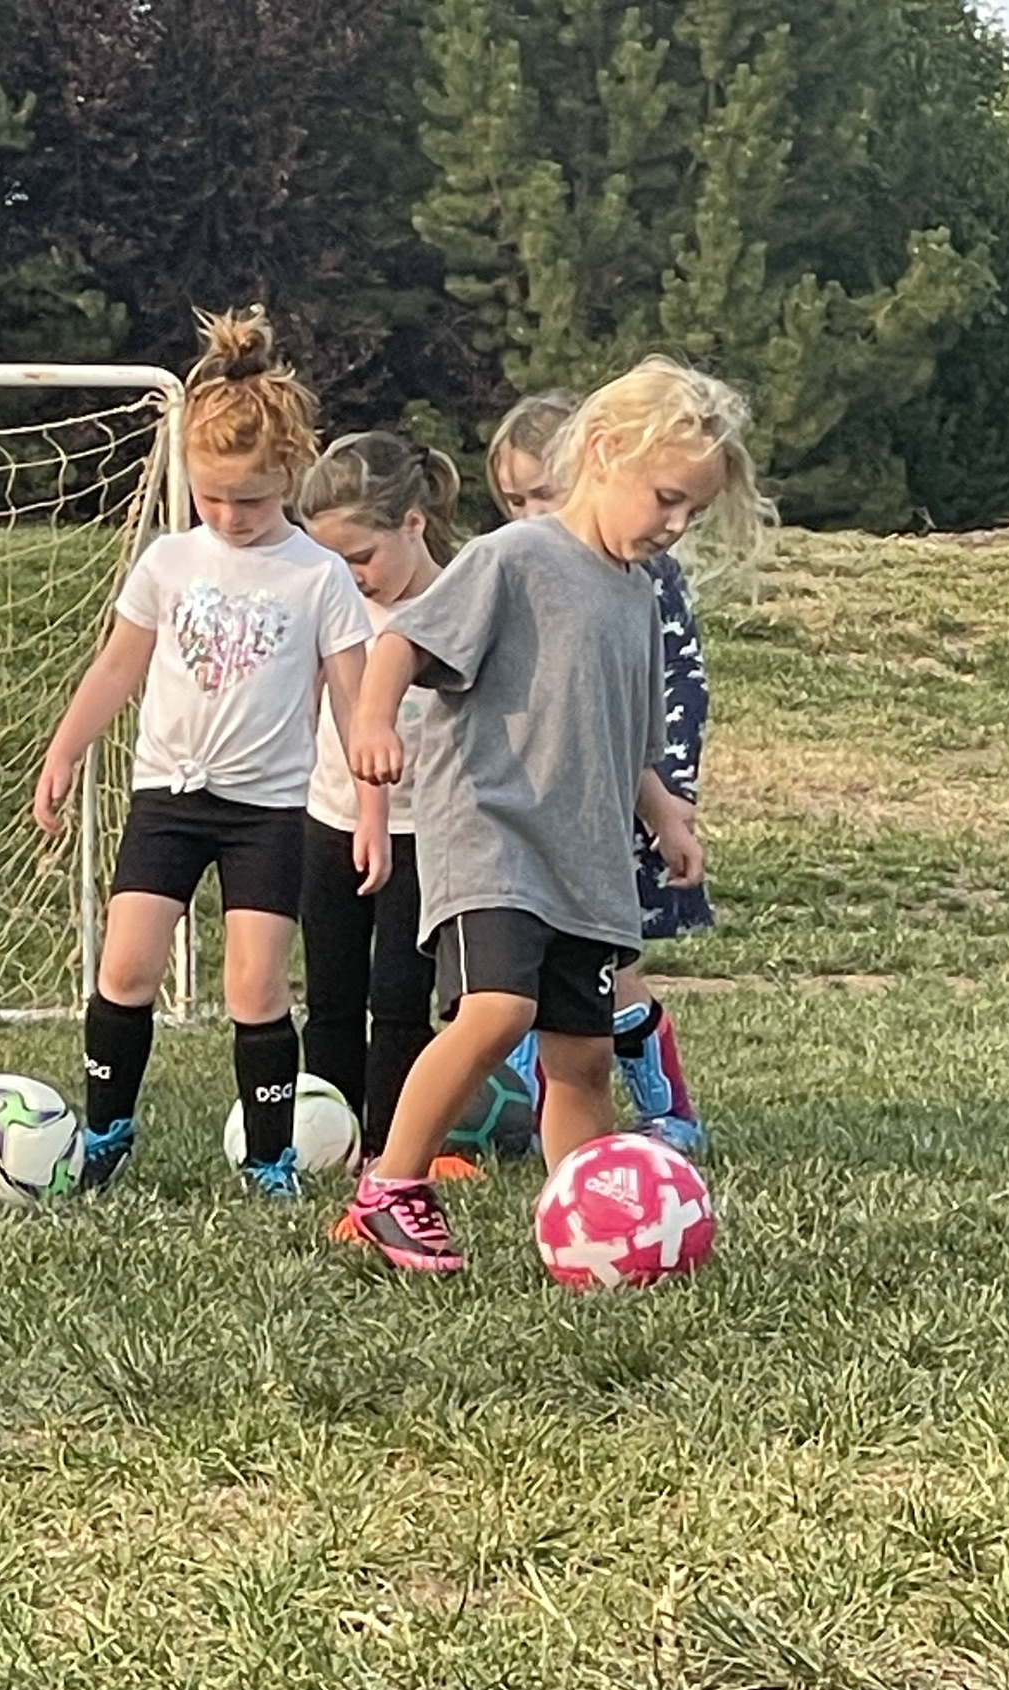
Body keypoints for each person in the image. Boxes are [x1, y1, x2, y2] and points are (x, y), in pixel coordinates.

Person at [341, 356, 770, 1273]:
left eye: (692, 511)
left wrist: (667, 817)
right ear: (606, 451)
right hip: (493, 838)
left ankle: (588, 1227)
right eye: (665, 498)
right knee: (497, 1008)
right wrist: (374, 723)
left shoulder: (638, 595)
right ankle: (390, 1185)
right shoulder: (516, 557)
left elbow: (635, 740)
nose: (675, 524)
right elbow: (401, 644)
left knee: (580, 1059)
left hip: (587, 862)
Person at [32, 306, 379, 1196]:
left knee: (256, 986)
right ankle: (107, 1129)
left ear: (291, 476)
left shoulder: (319, 576)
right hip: (167, 799)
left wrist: (372, 814)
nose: (230, 514)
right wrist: (66, 750)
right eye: (213, 495)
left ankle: (270, 1160)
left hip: (265, 813)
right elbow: (118, 667)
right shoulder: (168, 562)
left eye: (252, 499)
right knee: (126, 966)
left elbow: (356, 705)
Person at [485, 390, 713, 1153]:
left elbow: (670, 690)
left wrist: (662, 800)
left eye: (539, 494)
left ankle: (667, 1107)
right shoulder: (523, 565)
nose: (526, 512)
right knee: (532, 971)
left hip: (618, 800)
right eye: (511, 498)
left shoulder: (639, 576)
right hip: (539, 806)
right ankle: (528, 1107)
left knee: (603, 965)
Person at [296, 432, 460, 1158]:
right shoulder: (332, 607)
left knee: (399, 999)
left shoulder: (462, 603)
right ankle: (327, 1135)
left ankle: (393, 1144)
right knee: (331, 998)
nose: (351, 576)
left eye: (361, 557)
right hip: (327, 820)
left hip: (427, 833)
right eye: (334, 562)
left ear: (414, 523)